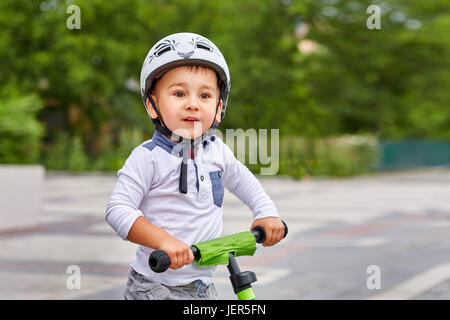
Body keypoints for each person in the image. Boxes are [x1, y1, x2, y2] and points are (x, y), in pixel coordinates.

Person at [105, 32, 285, 300]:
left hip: (202, 283)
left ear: (219, 107)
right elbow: (117, 209)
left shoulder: (217, 150)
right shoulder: (148, 157)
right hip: (156, 285)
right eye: (179, 93)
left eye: (204, 95)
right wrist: (163, 241)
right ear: (152, 105)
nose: (192, 104)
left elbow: (243, 181)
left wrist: (266, 212)